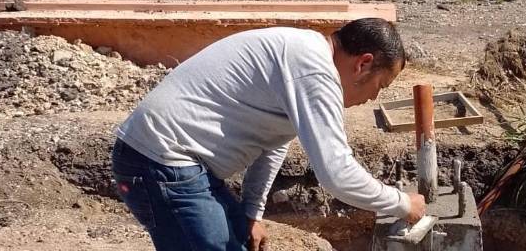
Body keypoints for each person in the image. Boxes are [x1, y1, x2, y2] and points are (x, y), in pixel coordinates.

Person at [111, 18, 426, 251]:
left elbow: (273, 144)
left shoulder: (304, 56)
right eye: (380, 86)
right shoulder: (314, 68)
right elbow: (336, 173)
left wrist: (252, 212)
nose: (373, 99)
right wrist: (400, 203)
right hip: (160, 162)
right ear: (364, 63)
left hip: (177, 164)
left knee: (240, 240)